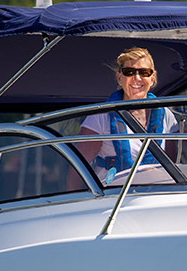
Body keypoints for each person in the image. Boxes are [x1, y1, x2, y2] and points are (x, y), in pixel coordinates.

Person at [75, 47, 179, 185]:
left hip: (153, 196)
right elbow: (76, 169)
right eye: (129, 72)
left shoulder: (167, 116)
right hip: (112, 196)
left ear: (152, 78)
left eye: (144, 72)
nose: (136, 78)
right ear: (119, 78)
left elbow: (171, 168)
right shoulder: (100, 116)